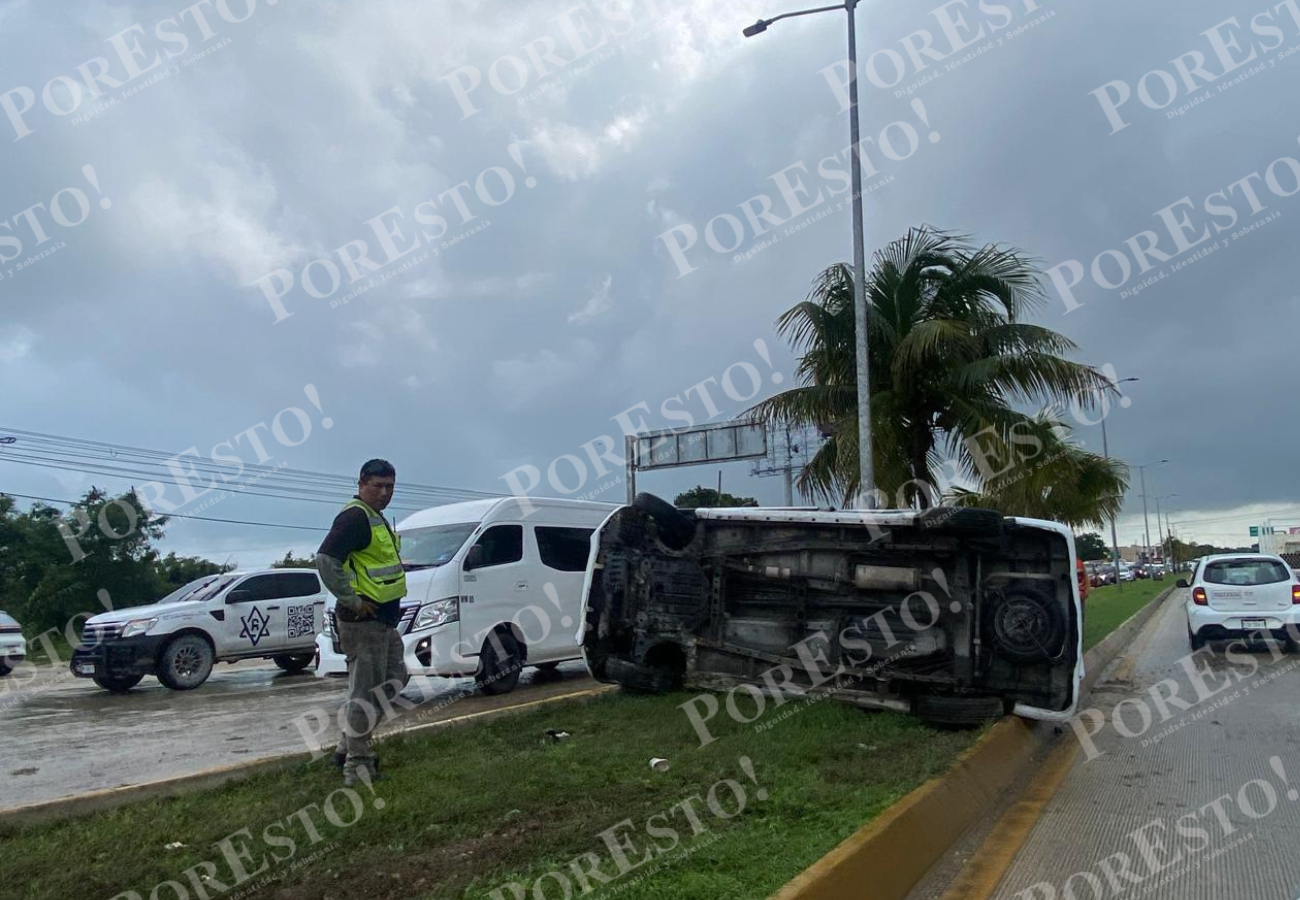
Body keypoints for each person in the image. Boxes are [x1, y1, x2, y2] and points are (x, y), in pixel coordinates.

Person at [315, 458, 408, 786]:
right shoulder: (355, 517)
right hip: (362, 622)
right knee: (364, 693)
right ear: (361, 484)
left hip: (383, 620)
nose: (385, 493)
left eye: (390, 487)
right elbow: (326, 561)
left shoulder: (375, 518)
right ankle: (357, 763)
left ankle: (346, 745)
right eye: (378, 486)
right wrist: (353, 601)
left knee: (397, 677)